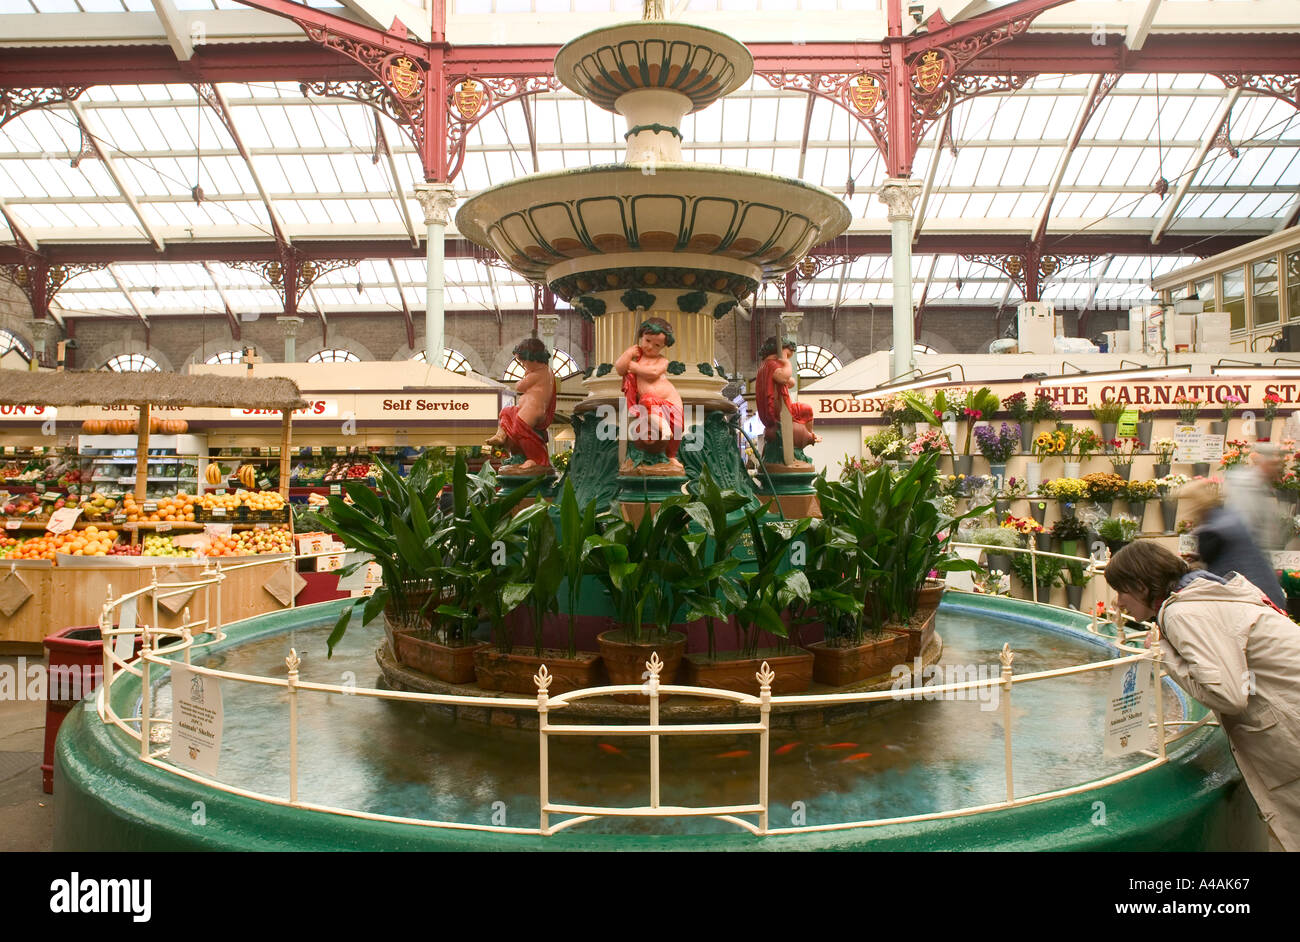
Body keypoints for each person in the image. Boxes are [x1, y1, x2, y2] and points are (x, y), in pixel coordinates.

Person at [1104, 540, 1300, 850]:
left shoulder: (1182, 611)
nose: (1117, 604)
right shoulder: (1209, 592)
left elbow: (1229, 696)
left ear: (1140, 586)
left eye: (1120, 591)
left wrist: (1165, 653)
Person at [1179, 478, 1286, 610]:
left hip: (1250, 598)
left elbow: (1211, 565)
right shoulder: (1228, 517)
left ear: (1195, 503)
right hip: (1264, 591)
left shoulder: (1212, 530)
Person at [615, 316, 684, 473]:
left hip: (671, 402)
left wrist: (632, 366)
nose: (650, 347)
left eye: (657, 345)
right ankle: (664, 428)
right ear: (641, 336)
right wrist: (627, 354)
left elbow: (653, 373)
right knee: (647, 400)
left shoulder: (662, 361)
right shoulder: (635, 356)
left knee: (678, 428)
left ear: (663, 347)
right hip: (650, 404)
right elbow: (619, 369)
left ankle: (671, 455)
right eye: (647, 341)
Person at [484, 337, 557, 474]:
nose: (522, 364)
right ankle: (501, 435)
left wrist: (527, 375)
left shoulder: (541, 373)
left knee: (520, 430)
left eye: (523, 361)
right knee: (506, 412)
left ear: (534, 359)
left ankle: (535, 458)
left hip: (534, 410)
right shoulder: (539, 371)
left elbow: (520, 386)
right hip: (527, 408)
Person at [756, 336, 819, 467]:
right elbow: (784, 377)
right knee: (806, 409)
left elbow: (789, 382)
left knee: (804, 409)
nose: (788, 358)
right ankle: (810, 434)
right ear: (781, 351)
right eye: (787, 354)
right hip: (780, 412)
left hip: (779, 410)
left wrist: (786, 374)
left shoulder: (765, 367)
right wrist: (786, 363)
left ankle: (810, 434)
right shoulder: (772, 365)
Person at [1223, 443, 1287, 553]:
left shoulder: (1264, 485)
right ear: (1264, 463)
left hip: (1257, 551)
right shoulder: (1246, 484)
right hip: (1246, 550)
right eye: (1274, 464)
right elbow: (1245, 522)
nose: (1278, 468)